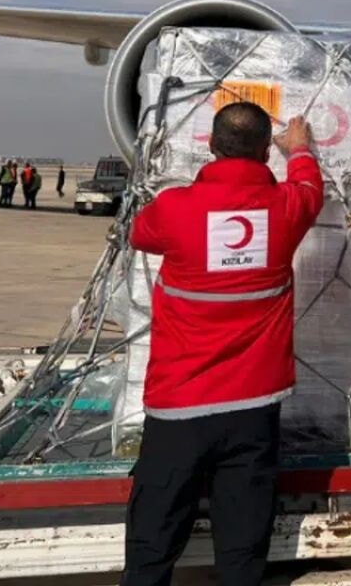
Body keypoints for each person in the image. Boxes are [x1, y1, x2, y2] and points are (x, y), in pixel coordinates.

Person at [122, 103, 323, 586]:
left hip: (179, 408)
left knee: (153, 541)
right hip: (253, 410)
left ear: (210, 147)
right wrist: (299, 150)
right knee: (242, 549)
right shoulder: (287, 208)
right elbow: (311, 188)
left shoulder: (173, 209)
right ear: (263, 153)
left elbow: (138, 234)